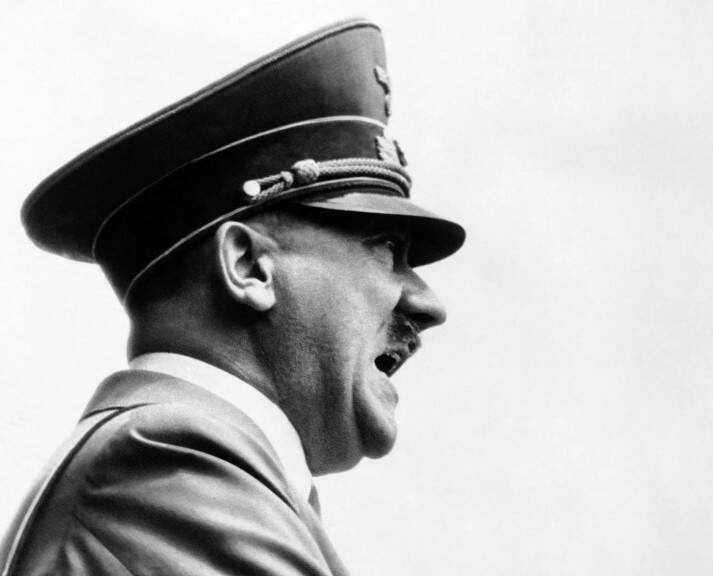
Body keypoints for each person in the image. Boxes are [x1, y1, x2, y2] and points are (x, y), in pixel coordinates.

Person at [1, 18, 464, 576]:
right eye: (387, 249)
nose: (429, 304)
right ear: (248, 267)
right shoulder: (172, 459)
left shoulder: (215, 474)